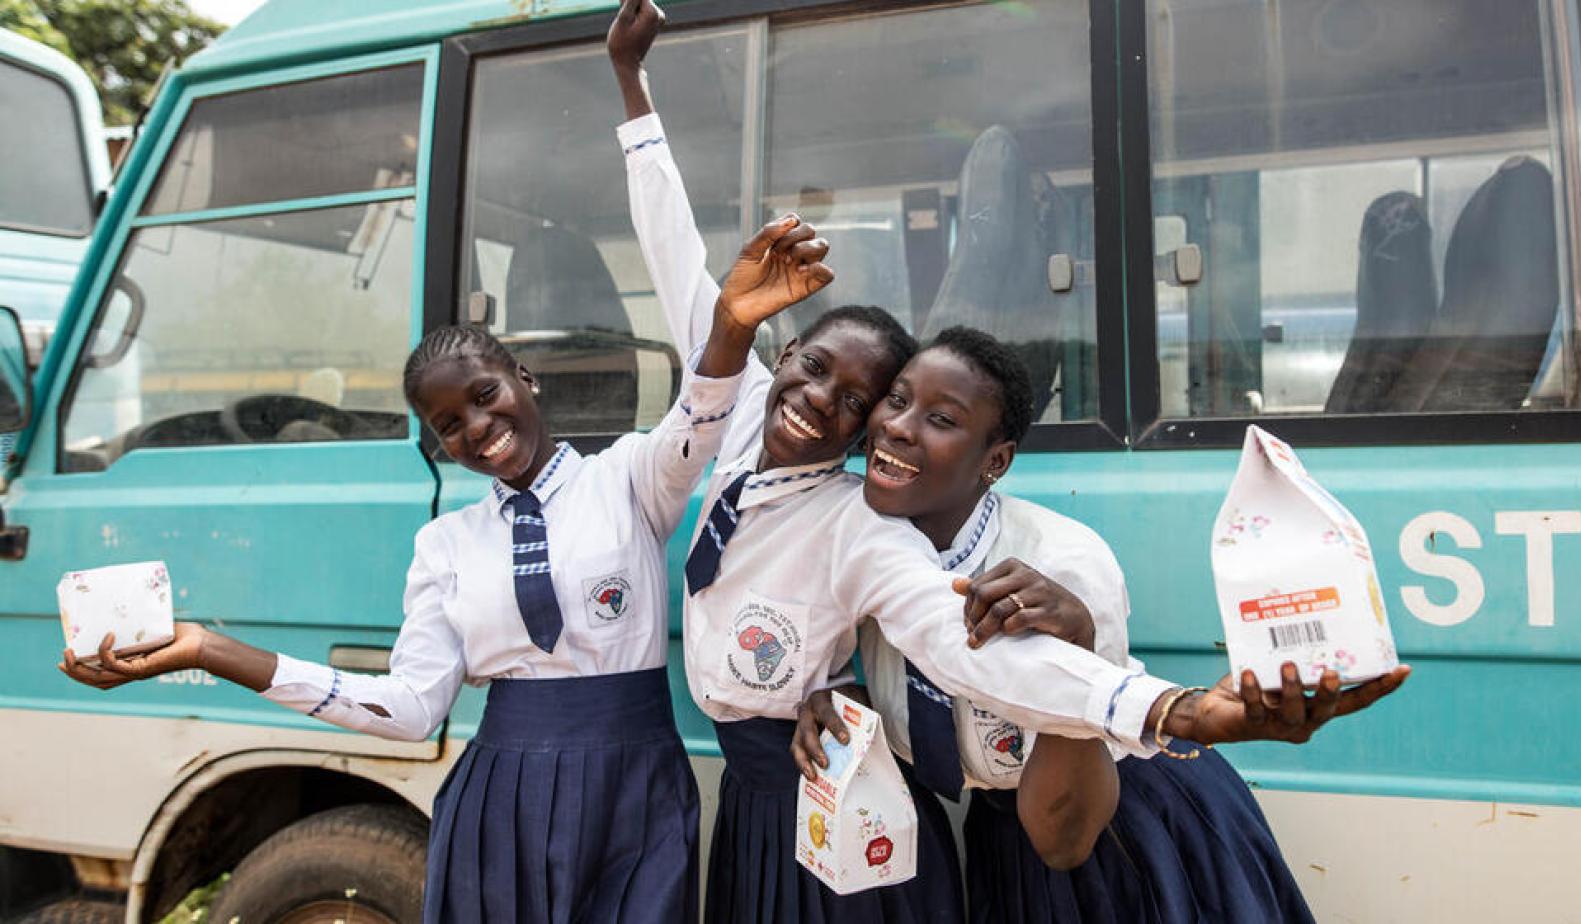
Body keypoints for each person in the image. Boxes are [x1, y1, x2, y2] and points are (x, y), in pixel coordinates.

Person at [610, 4, 1338, 922]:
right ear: (782, 355)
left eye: (865, 403)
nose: (854, 415)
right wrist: (633, 88)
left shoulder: (876, 534)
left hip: (1097, 827)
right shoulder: (741, 402)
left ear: (994, 460)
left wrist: (1185, 713)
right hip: (842, 813)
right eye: (829, 376)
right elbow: (677, 259)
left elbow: (971, 653)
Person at [58, 216, 835, 923]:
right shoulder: (445, 546)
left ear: (524, 380)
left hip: (637, 797)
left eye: (485, 396)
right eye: (449, 425)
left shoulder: (629, 477)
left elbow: (704, 408)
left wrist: (730, 325)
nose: (479, 429)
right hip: (501, 806)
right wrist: (208, 650)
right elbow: (407, 710)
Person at [791, 328, 1411, 923]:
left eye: (942, 419)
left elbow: (1064, 841)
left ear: (996, 461)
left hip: (1121, 838)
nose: (897, 427)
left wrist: (1077, 646)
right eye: (897, 401)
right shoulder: (869, 546)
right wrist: (839, 692)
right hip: (998, 839)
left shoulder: (1062, 565)